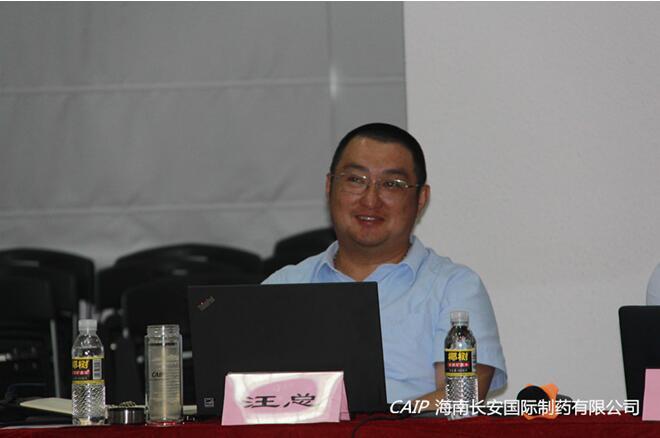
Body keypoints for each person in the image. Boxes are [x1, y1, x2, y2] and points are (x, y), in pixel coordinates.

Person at [263, 123, 506, 404]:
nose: (370, 200)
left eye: (392, 184)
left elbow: (459, 398)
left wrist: (371, 421)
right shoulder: (282, 286)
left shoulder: (454, 288)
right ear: (330, 187)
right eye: (356, 180)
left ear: (421, 199)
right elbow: (245, 396)